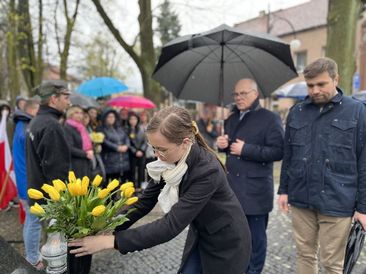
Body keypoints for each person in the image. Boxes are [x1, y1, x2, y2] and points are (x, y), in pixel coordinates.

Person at [69, 106, 252, 274]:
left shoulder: (207, 170)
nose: (157, 155)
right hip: (202, 234)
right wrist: (108, 227)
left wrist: (112, 241)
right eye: (153, 147)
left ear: (185, 142)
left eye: (161, 149)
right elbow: (144, 202)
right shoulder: (167, 161)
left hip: (227, 241)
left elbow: (170, 225)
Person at [277, 57, 366, 274]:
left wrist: (363, 208)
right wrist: (283, 190)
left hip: (338, 200)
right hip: (301, 198)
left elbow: (364, 161)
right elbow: (289, 154)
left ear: (336, 79)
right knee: (304, 255)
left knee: (332, 264)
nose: (315, 90)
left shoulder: (358, 111)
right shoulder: (296, 113)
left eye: (321, 84)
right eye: (310, 85)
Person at [216, 78, 284, 274]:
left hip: (255, 192)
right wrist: (223, 145)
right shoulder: (231, 118)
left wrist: (247, 149)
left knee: (256, 240)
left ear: (255, 94)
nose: (238, 97)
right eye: (236, 94)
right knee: (235, 237)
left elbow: (279, 151)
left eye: (243, 93)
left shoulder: (270, 118)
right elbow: (231, 149)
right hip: (232, 189)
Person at [27, 80, 71, 204]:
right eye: (66, 97)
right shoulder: (51, 125)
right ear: (53, 99)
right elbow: (57, 170)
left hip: (38, 195)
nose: (69, 102)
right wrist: (61, 203)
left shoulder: (35, 121)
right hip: (50, 202)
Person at [12, 99, 41, 269]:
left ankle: (31, 255)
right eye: (39, 110)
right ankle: (32, 258)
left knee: (31, 221)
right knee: (34, 221)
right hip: (28, 183)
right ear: (32, 109)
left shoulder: (21, 125)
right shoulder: (27, 128)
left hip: (25, 182)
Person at [99, 109, 130, 185]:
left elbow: (126, 138)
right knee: (109, 183)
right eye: (109, 117)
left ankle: (116, 197)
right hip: (109, 160)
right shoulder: (102, 129)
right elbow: (104, 141)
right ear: (105, 118)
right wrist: (117, 148)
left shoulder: (119, 128)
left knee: (117, 182)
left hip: (122, 160)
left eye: (113, 116)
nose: (111, 118)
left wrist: (126, 146)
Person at [64, 105, 94, 178]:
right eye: (76, 112)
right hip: (75, 164)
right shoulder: (68, 128)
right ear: (70, 114)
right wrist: (85, 154)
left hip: (85, 162)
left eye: (81, 113)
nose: (80, 115)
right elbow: (69, 148)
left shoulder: (81, 127)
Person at [126, 112, 147, 190]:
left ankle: (140, 186)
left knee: (141, 170)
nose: (133, 121)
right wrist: (135, 151)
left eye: (134, 119)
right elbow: (127, 143)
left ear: (137, 120)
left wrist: (141, 150)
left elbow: (145, 141)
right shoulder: (126, 130)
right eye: (131, 119)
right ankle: (133, 187)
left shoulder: (142, 129)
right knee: (132, 171)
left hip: (141, 153)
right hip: (132, 153)